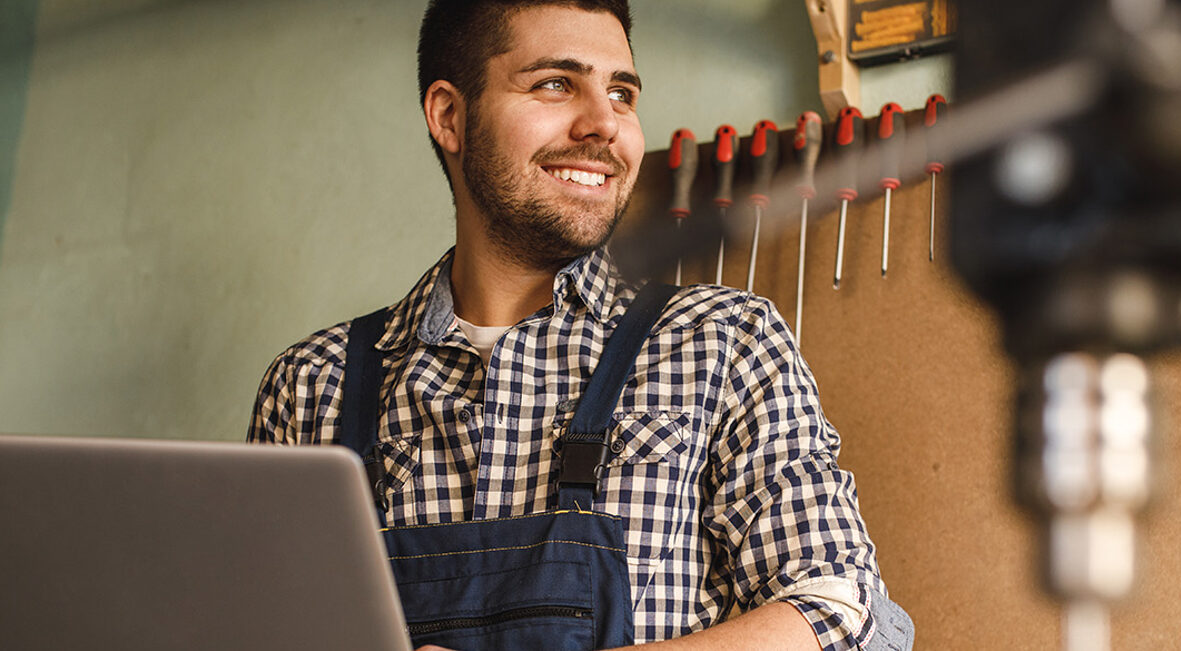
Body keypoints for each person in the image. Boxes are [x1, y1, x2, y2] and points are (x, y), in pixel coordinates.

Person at [248, 1, 911, 649]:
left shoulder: (724, 341)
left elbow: (841, 613)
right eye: (555, 84)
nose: (604, 123)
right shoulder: (311, 387)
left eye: (622, 93)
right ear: (450, 115)